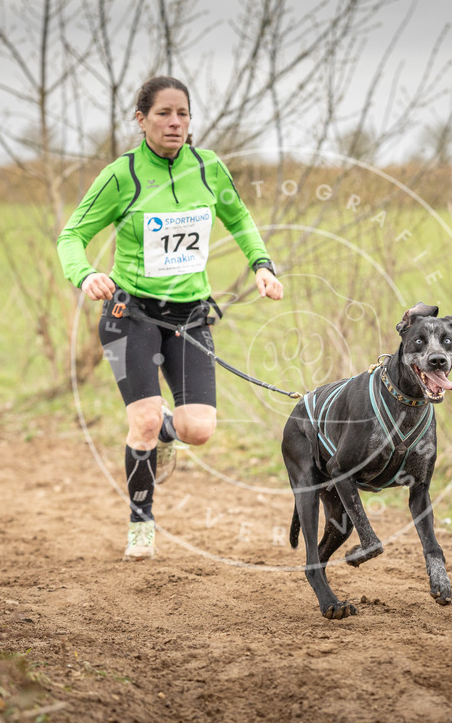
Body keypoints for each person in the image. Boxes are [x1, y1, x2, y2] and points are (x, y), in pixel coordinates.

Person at [57, 76, 284, 561]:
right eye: (163, 113)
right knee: (140, 420)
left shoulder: (208, 169)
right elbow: (71, 236)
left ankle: (166, 429)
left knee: (198, 429)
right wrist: (84, 275)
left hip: (190, 316)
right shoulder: (123, 175)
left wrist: (261, 265)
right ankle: (142, 520)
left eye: (182, 113)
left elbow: (239, 219)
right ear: (141, 120)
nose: (175, 122)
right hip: (131, 313)